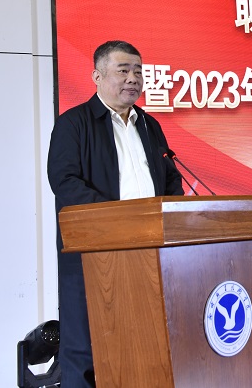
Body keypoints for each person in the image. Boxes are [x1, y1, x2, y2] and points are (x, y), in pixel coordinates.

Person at [47, 40, 184, 387]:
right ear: (97, 76)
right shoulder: (73, 124)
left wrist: (171, 214)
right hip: (94, 252)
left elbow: (170, 178)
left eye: (138, 71)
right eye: (123, 71)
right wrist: (117, 218)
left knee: (143, 338)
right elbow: (64, 181)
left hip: (150, 250)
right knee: (86, 344)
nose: (133, 79)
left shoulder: (149, 125)